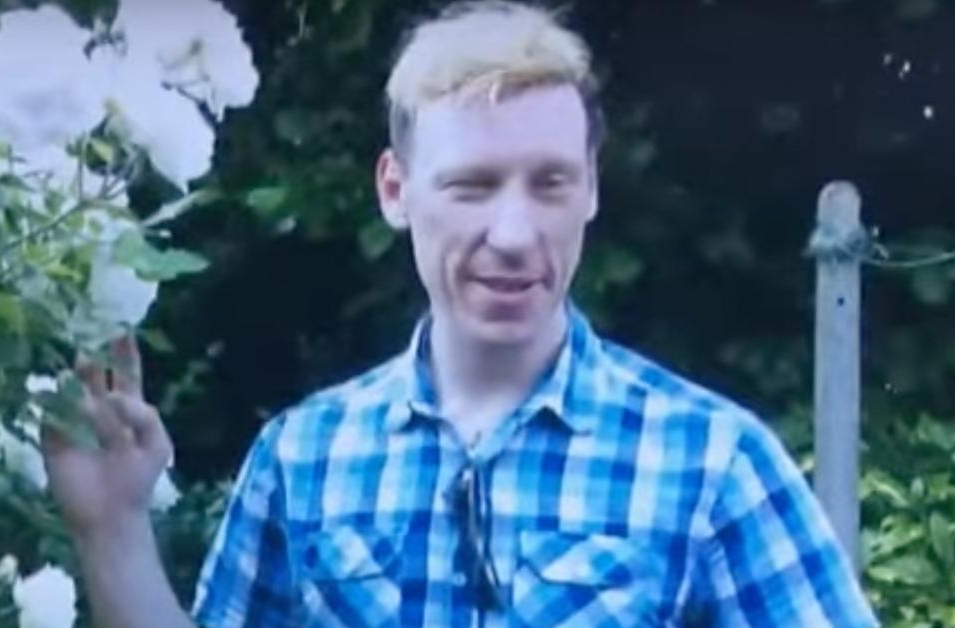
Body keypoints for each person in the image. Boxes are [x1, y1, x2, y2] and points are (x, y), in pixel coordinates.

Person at [43, 1, 878, 626]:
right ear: (396, 191)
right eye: (471, 185)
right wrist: (115, 528)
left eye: (550, 182)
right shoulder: (304, 460)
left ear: (591, 185)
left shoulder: (715, 465)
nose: (513, 235)